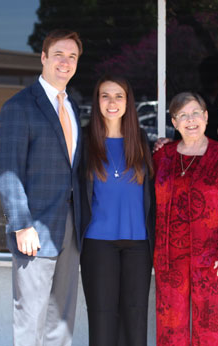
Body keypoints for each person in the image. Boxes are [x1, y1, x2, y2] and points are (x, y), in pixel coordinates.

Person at [0, 29, 83, 346]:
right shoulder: (19, 107)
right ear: (43, 57)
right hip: (34, 230)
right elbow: (8, 171)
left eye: (72, 56)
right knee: (31, 319)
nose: (66, 62)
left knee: (61, 319)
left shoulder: (73, 108)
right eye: (59, 54)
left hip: (71, 228)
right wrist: (21, 225)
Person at [153, 92, 218, 345]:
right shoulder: (162, 156)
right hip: (169, 258)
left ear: (205, 116)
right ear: (174, 122)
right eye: (182, 115)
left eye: (195, 113)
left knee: (213, 326)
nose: (190, 120)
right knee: (171, 328)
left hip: (212, 257)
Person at [79, 74, 155, 346]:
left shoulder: (143, 140)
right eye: (105, 96)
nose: (112, 102)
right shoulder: (84, 141)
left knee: (135, 322)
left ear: (128, 101)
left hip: (138, 245)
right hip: (98, 244)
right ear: (97, 101)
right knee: (102, 322)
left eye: (118, 96)